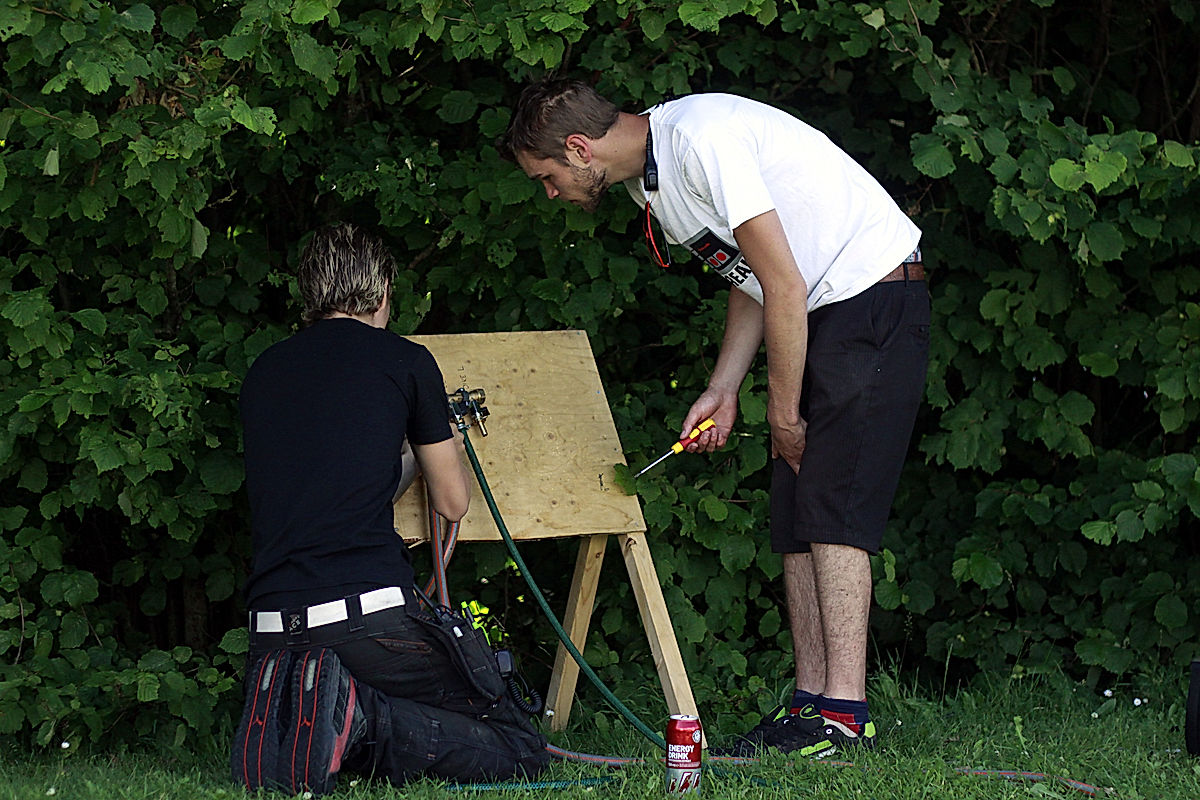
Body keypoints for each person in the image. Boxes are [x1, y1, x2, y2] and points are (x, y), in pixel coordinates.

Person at [500, 80, 930, 758]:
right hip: (820, 309)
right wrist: (723, 388)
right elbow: (756, 280)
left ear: (578, 149)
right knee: (795, 508)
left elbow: (784, 283)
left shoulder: (698, 140)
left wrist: (782, 414)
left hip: (871, 297)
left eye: (548, 177)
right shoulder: (655, 183)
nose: (550, 192)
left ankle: (845, 715)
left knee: (835, 504)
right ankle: (808, 705)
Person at [231, 223, 549, 794]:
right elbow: (452, 502)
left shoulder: (264, 372)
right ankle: (361, 719)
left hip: (272, 631)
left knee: (350, 692)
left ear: (312, 295)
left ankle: (302, 722)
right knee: (518, 747)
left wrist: (394, 457)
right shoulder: (404, 360)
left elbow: (338, 485)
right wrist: (428, 442)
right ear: (380, 293)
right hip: (366, 622)